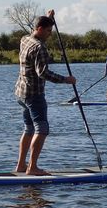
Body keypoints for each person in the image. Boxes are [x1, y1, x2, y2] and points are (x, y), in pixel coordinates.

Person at [14, 10, 76, 176]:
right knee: (42, 129)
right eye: (48, 31)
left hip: (21, 92)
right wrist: (66, 79)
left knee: (29, 128)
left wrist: (49, 18)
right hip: (34, 94)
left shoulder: (24, 39)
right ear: (40, 29)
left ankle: (20, 165)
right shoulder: (40, 48)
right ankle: (32, 167)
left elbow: (35, 28)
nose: (50, 34)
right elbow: (43, 73)